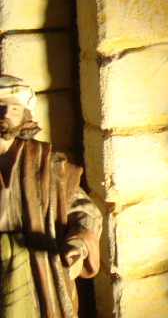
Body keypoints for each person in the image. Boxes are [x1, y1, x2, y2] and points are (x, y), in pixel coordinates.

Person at [0, 75, 102, 318]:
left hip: (38, 272)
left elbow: (84, 211)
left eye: (14, 108)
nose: (5, 114)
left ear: (24, 116)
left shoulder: (47, 164)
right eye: (0, 105)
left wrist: (78, 245)